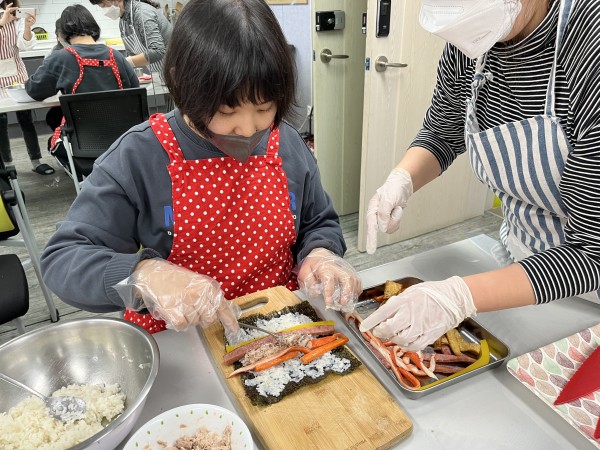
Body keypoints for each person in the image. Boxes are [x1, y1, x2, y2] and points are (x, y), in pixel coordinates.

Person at [40, 0, 361, 336]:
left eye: (265, 108)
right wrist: (143, 274)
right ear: (183, 83)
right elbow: (63, 259)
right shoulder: (139, 155)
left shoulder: (289, 146)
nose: (248, 129)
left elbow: (319, 221)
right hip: (182, 340)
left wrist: (321, 253)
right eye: (226, 112)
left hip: (280, 328)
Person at [360, 0, 600, 350]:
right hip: (518, 269)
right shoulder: (474, 34)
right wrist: (402, 179)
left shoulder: (587, 37)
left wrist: (459, 295)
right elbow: (444, 129)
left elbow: (593, 251)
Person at [25, 5, 139, 170]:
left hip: (84, 146)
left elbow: (35, 91)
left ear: (62, 33)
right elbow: (134, 94)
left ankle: (87, 180)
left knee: (53, 139)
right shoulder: (117, 56)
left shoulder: (60, 57)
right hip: (124, 143)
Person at [0, 0, 54, 175]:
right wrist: (2, 22)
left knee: (26, 117)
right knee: (0, 122)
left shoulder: (18, 15)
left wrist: (27, 26)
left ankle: (36, 160)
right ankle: (8, 165)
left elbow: (25, 45)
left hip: (17, 73)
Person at [89, 0, 172, 76]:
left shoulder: (142, 14)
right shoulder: (123, 23)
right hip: (158, 75)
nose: (104, 11)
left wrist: (123, 62)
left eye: (103, 5)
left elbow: (158, 51)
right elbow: (131, 54)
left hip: (174, 71)